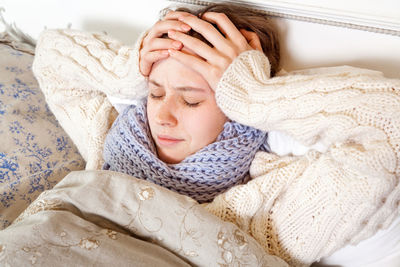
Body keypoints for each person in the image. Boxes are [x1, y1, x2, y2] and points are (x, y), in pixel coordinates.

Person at [32, 3, 400, 266]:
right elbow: (50, 54)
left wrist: (256, 94)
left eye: (191, 101)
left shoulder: (268, 207)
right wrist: (128, 69)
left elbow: (390, 130)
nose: (162, 115)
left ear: (237, 109)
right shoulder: (112, 141)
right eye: (155, 92)